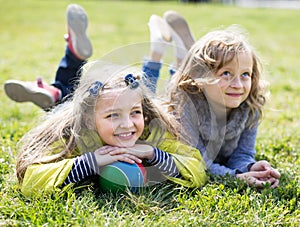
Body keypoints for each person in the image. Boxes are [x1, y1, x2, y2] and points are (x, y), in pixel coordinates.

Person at [16, 60, 207, 197]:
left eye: (134, 112)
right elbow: (32, 181)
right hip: (72, 123)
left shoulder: (151, 130)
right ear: (89, 120)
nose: (127, 124)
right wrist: (91, 161)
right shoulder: (74, 135)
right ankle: (58, 81)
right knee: (59, 104)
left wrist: (153, 153)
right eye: (113, 115)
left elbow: (196, 167)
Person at [143, 20, 281, 188]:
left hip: (198, 87)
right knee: (145, 93)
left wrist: (250, 167)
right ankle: (158, 49)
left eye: (245, 74)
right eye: (226, 73)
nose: (237, 84)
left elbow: (242, 154)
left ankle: (182, 53)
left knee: (178, 76)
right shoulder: (183, 108)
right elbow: (198, 161)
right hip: (179, 100)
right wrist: (236, 177)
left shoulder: (250, 105)